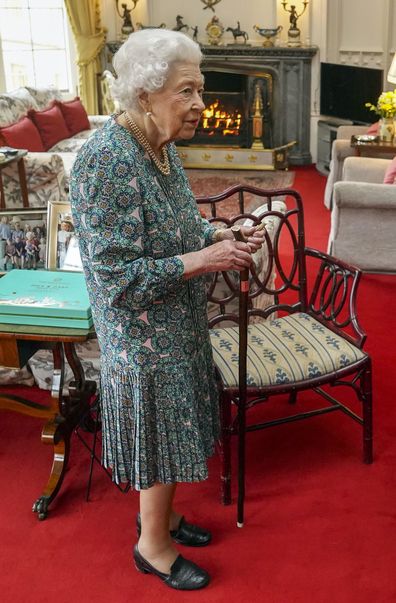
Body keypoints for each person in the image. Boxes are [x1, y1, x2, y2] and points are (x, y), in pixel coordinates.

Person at [70, 29, 264, 591]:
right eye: (187, 91)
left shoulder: (158, 148)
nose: (201, 105)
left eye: (201, 90)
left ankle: (167, 518)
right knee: (160, 434)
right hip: (142, 334)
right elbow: (116, 279)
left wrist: (222, 235)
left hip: (177, 318)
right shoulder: (106, 162)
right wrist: (203, 260)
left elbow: (179, 230)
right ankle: (151, 546)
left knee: (177, 429)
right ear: (145, 93)